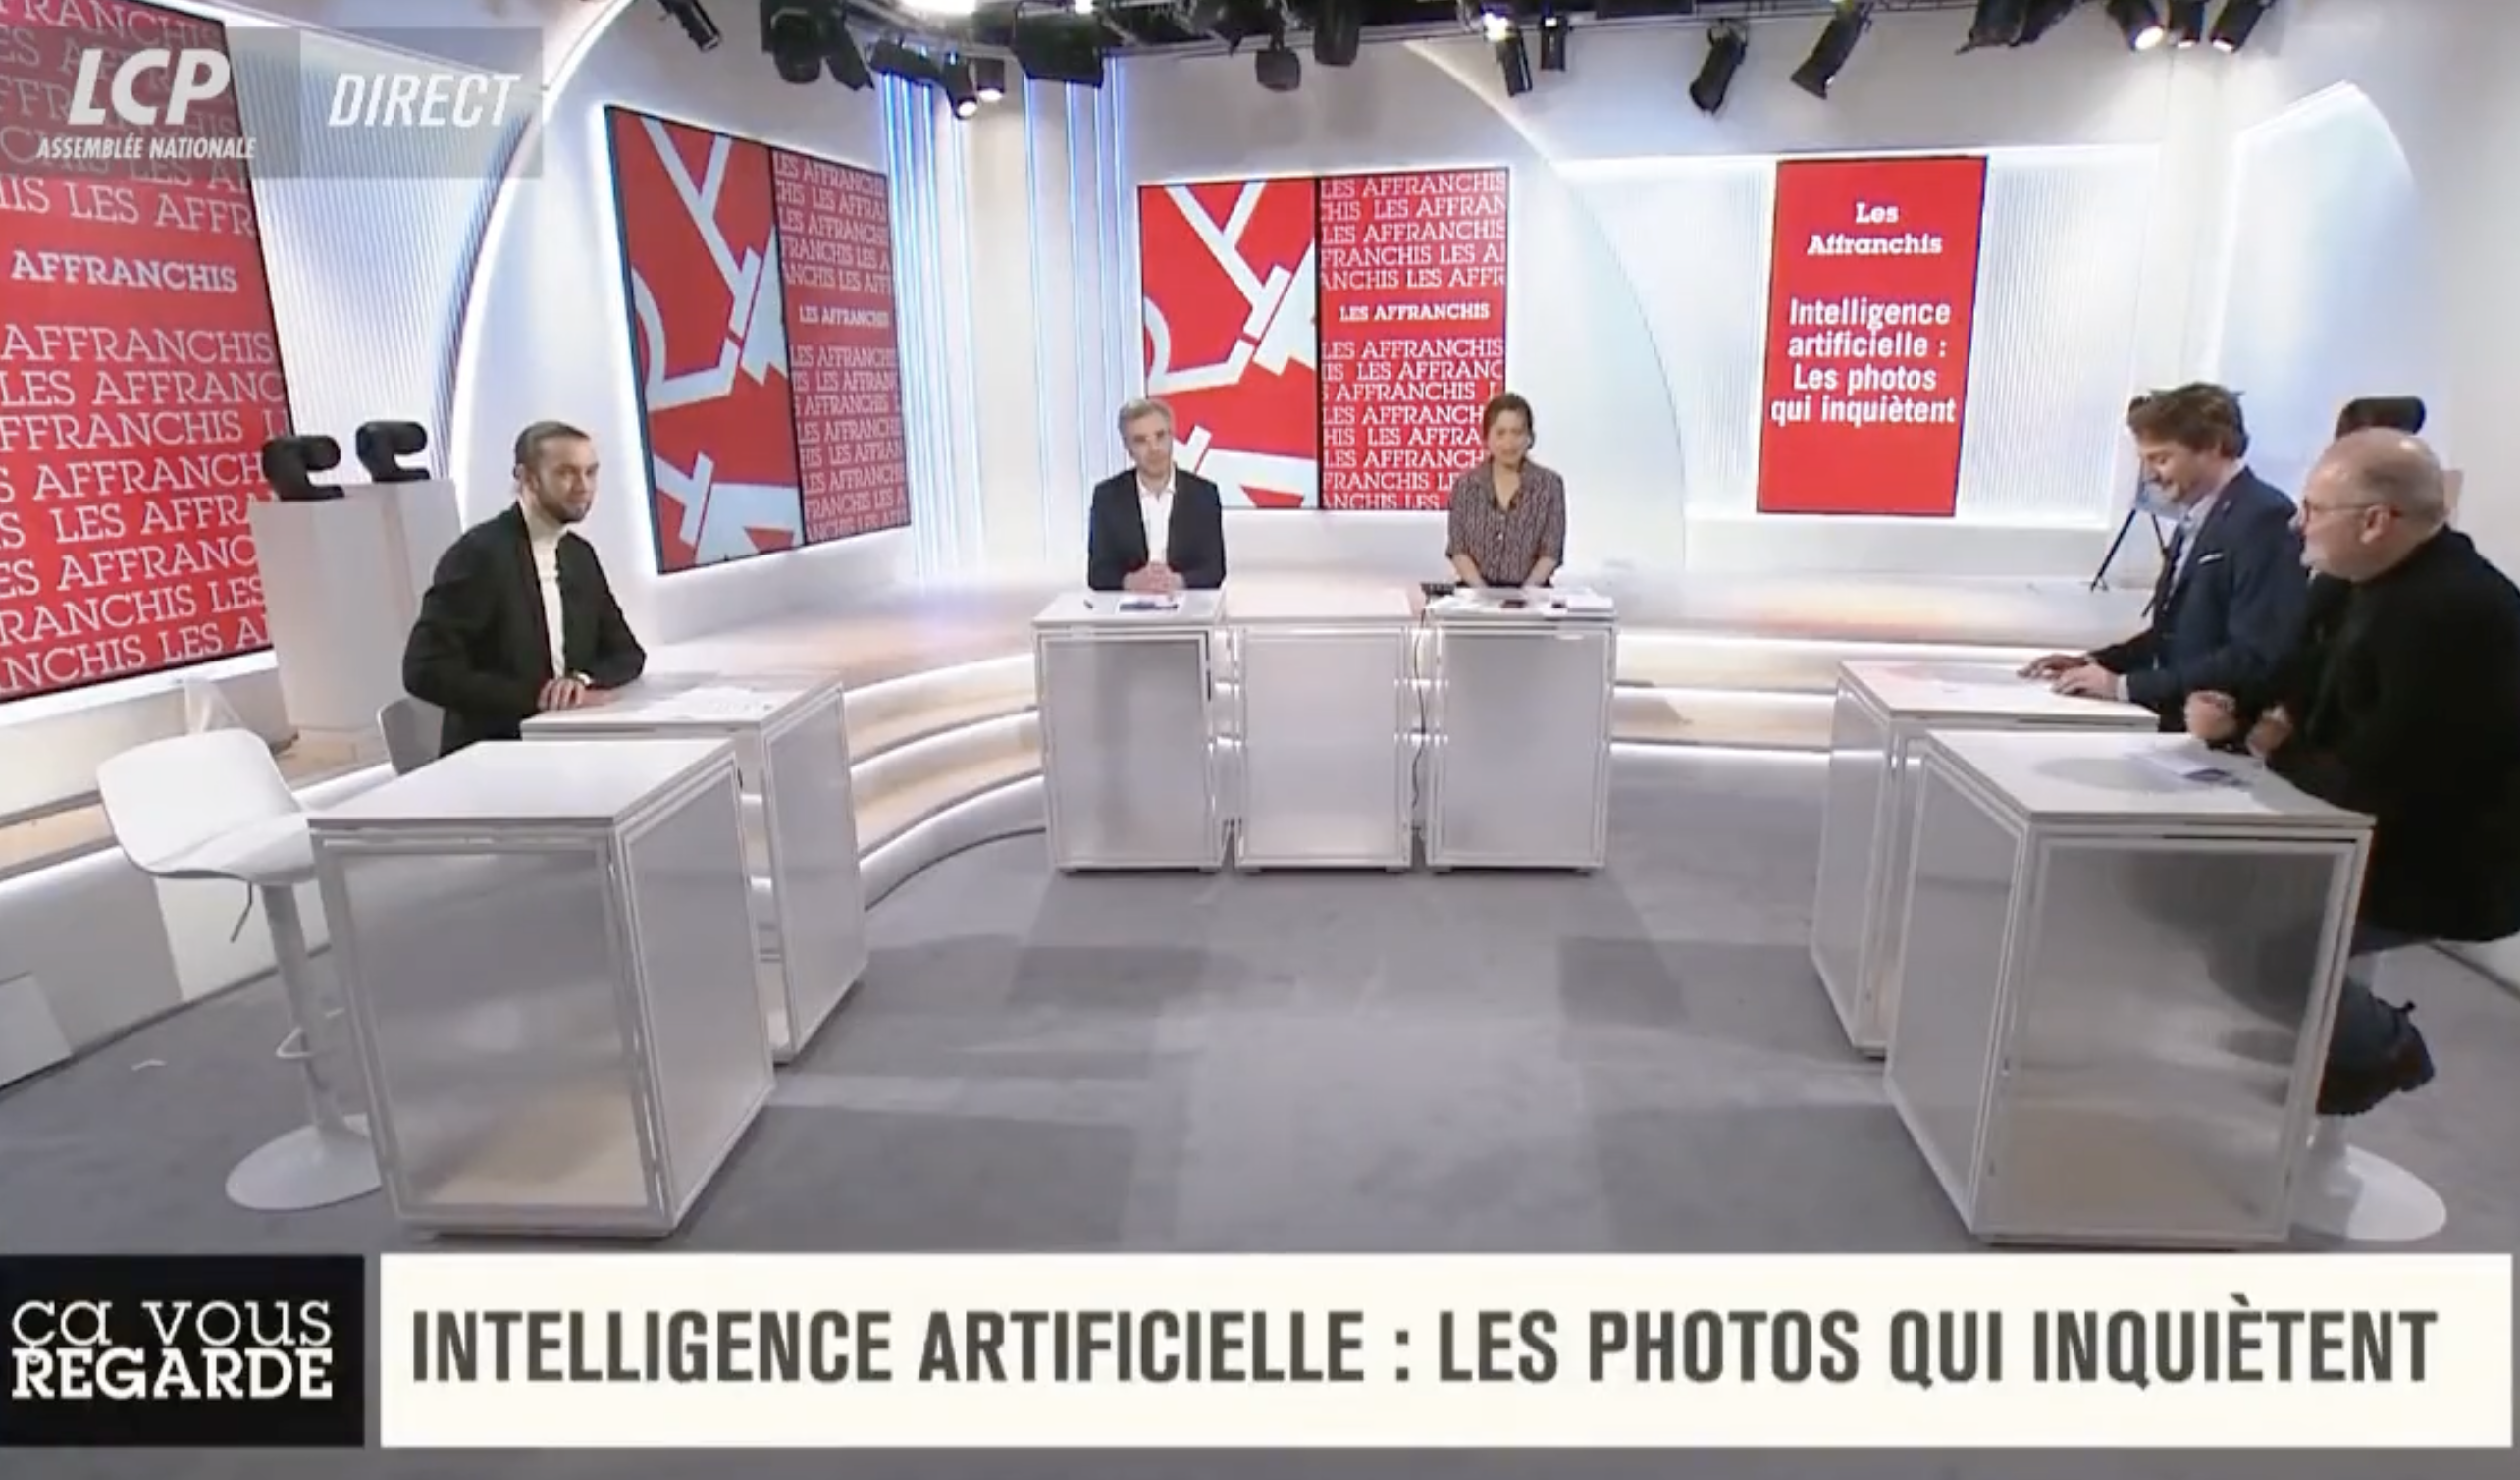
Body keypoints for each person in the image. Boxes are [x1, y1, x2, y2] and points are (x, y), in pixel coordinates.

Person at [2184, 431, 2520, 1114]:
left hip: (2442, 863)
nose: (2296, 522)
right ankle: (2320, 1031)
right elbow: (2290, 675)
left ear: (2375, 522)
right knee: (2189, 889)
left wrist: (2275, 747)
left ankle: (2382, 1047)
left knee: (2255, 951)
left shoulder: (2455, 614)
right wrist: (2235, 710)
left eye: (2314, 508)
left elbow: (2385, 780)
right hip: (2357, 826)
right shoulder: (2349, 582)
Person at [2021, 385, 2305, 727]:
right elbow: (2172, 634)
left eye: (2161, 459)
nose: (2149, 476)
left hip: (2219, 729)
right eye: (2146, 461)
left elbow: (2253, 654)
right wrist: (2097, 662)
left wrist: (2125, 687)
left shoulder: (2262, 517)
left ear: (2213, 447)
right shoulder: (2200, 515)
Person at [402, 420, 646, 755]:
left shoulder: (579, 555)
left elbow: (627, 653)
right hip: (494, 755)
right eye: (566, 473)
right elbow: (424, 670)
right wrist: (539, 696)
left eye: (590, 472)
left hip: (569, 744)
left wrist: (579, 681)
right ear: (527, 478)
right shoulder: (479, 555)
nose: (583, 486)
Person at [1085, 397, 1226, 593]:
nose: (1154, 449)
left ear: (1172, 437)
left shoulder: (1203, 494)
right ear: (1128, 448)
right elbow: (1098, 573)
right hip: (1128, 606)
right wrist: (1131, 581)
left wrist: (1177, 581)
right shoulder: (1107, 497)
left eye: (1160, 436)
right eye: (1141, 440)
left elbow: (1214, 570)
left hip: (1187, 604)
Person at [1444, 392, 1565, 589]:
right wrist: (1484, 596)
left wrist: (1523, 596)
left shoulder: (1550, 486)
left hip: (1532, 595)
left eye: (1517, 432)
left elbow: (1550, 552)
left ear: (1530, 437)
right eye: (1500, 433)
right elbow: (1459, 550)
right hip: (1475, 594)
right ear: (1486, 438)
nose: (1509, 443)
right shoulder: (1465, 486)